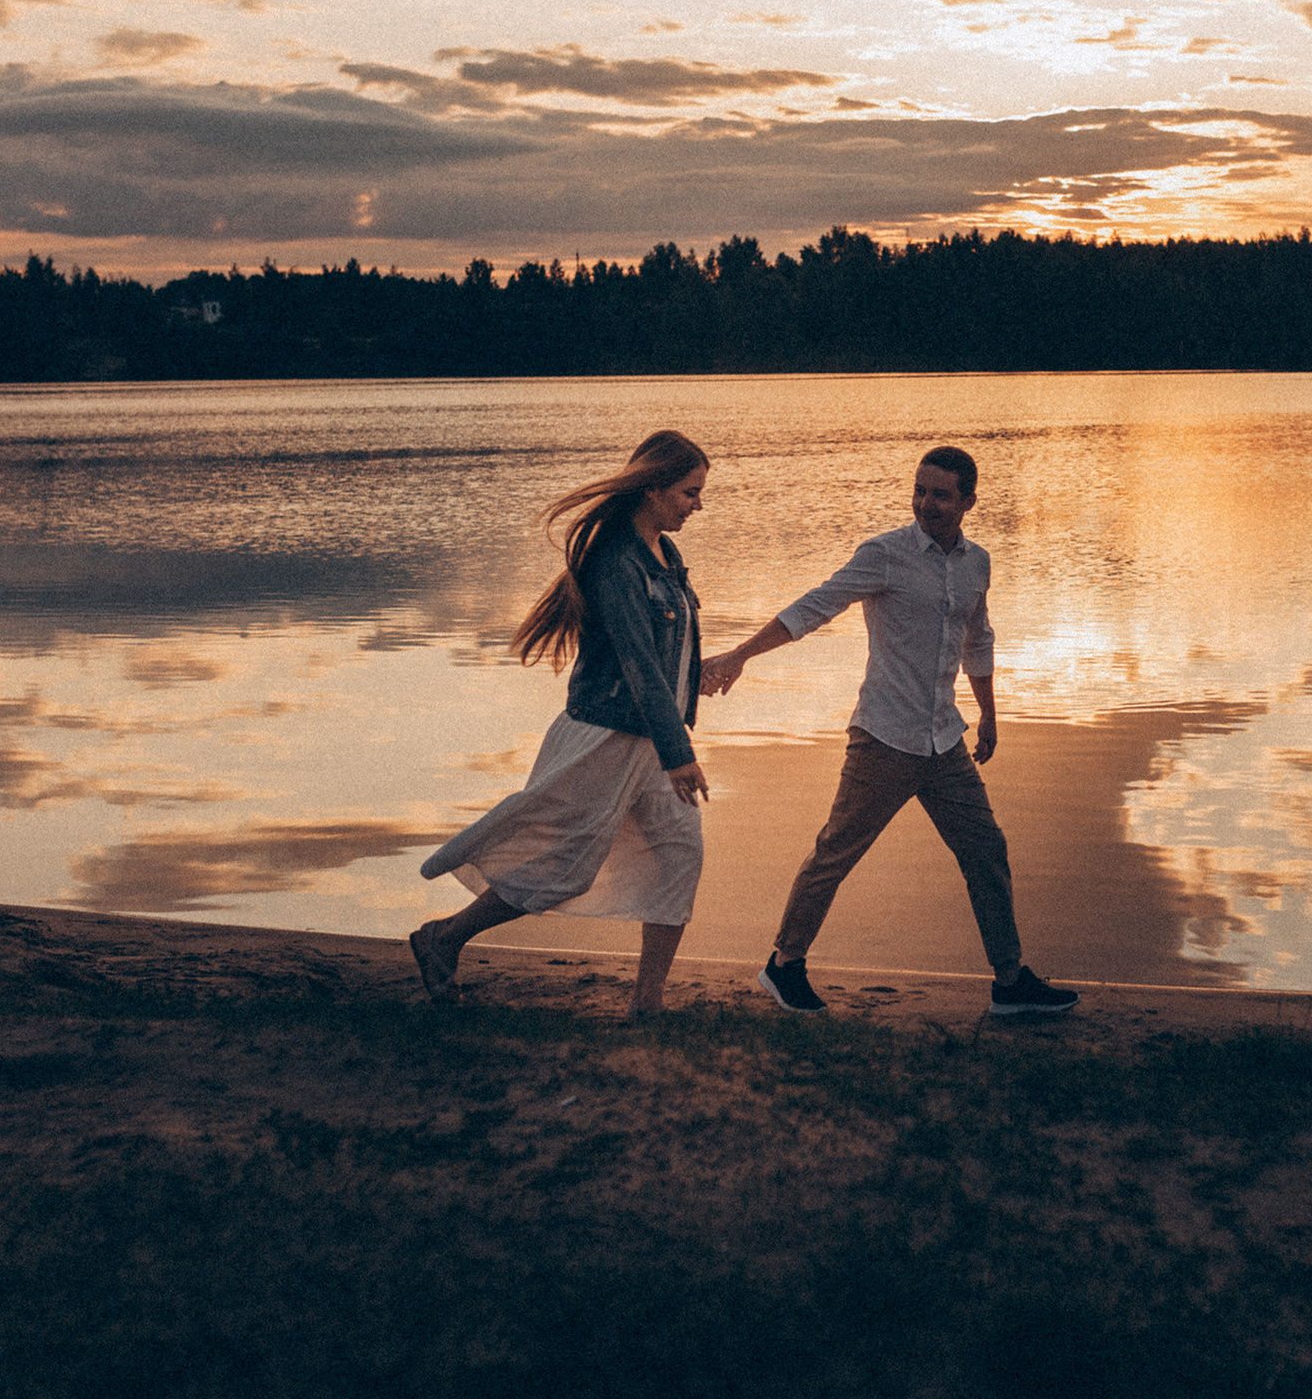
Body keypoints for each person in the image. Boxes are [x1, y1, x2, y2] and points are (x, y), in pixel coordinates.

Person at [701, 446, 1078, 1016]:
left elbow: (978, 639)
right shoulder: (884, 554)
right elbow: (815, 607)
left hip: (944, 741)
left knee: (986, 849)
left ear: (969, 502)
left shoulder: (977, 563)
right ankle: (784, 964)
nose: (926, 504)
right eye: (920, 491)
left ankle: (1009, 982)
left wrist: (989, 714)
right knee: (836, 853)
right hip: (884, 739)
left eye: (941, 494)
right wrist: (741, 655)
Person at [409, 430, 712, 1016]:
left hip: (654, 740)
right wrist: (680, 754)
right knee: (564, 866)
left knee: (679, 857)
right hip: (607, 737)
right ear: (653, 489)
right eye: (689, 492)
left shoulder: (665, 556)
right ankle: (443, 938)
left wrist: (702, 676)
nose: (697, 505)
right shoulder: (616, 561)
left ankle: (647, 1004)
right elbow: (639, 665)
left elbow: (667, 657)